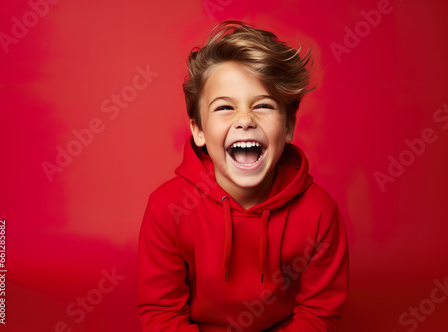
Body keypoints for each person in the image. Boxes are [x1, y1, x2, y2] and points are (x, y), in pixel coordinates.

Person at [137, 20, 349, 331]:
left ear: (288, 126)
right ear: (198, 129)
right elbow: (161, 314)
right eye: (225, 108)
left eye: (263, 105)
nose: (245, 120)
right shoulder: (167, 208)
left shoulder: (321, 213)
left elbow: (319, 312)